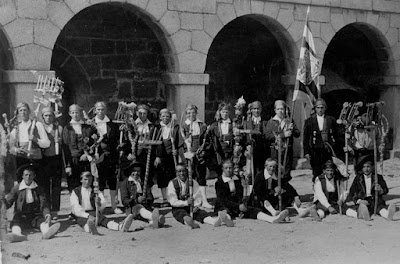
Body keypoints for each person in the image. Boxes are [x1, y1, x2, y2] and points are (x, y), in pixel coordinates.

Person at [215, 159, 288, 224]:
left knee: (253, 210)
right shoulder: (219, 183)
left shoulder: (237, 180)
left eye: (230, 168)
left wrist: (242, 204)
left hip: (238, 205)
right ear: (222, 169)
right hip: (225, 205)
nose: (228, 170)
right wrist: (238, 206)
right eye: (226, 168)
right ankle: (225, 219)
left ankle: (271, 219)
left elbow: (240, 195)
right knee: (225, 211)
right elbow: (222, 200)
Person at [3, 164, 61, 242]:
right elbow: (9, 201)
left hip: (35, 215)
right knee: (15, 223)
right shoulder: (17, 188)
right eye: (26, 175)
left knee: (43, 222)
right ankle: (17, 235)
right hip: (21, 215)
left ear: (34, 176)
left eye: (30, 175)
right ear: (22, 176)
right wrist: (3, 203)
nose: (28, 177)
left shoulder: (38, 188)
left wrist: (47, 215)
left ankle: (46, 233)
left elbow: (43, 203)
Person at [70, 171, 135, 234]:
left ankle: (120, 227)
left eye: (89, 180)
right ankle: (90, 229)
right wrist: (87, 216)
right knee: (82, 221)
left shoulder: (95, 191)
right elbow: (76, 208)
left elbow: (103, 203)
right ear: (81, 180)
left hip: (93, 212)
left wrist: (99, 203)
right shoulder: (76, 192)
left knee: (103, 219)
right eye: (85, 179)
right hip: (81, 213)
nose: (87, 182)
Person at [167, 163, 229, 229]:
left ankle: (214, 221)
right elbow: (173, 201)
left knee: (201, 213)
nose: (182, 173)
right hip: (178, 207)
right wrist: (186, 202)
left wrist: (195, 204)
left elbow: (198, 196)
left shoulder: (193, 182)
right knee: (181, 214)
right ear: (176, 173)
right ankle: (189, 223)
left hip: (192, 206)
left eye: (183, 171)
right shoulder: (172, 183)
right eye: (179, 171)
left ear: (187, 171)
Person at [343, 156, 397, 221]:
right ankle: (365, 215)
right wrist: (359, 200)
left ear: (372, 167)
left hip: (375, 200)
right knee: (362, 207)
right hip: (363, 200)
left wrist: (380, 189)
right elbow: (352, 192)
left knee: (380, 208)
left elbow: (386, 190)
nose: (366, 169)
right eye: (364, 167)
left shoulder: (378, 177)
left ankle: (388, 215)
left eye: (368, 166)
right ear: (362, 169)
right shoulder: (358, 178)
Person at [93, 101, 123, 214]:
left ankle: (114, 206)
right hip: (97, 158)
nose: (100, 112)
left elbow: (116, 140)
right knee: (99, 182)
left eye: (103, 109)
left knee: (112, 181)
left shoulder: (112, 124)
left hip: (111, 157)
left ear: (106, 110)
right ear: (95, 110)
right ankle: (100, 206)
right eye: (98, 109)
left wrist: (119, 149)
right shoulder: (91, 124)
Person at [9, 102, 50, 182]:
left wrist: (36, 140)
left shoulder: (37, 125)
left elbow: (47, 143)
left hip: (35, 159)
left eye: (25, 110)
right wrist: (17, 150)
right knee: (22, 183)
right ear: (18, 113)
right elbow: (11, 146)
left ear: (29, 111)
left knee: (37, 182)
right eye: (20, 110)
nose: (23, 112)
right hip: (22, 159)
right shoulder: (16, 128)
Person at [182, 104, 213, 209]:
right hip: (188, 155)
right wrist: (186, 151)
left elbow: (206, 140)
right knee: (191, 176)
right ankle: (193, 199)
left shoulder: (202, 125)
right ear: (186, 114)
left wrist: (203, 151)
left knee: (201, 175)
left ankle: (204, 200)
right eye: (189, 113)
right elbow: (181, 142)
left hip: (200, 154)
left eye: (193, 112)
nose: (191, 115)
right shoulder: (183, 126)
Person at [120, 161, 165, 228]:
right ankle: (155, 218)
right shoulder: (125, 183)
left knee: (148, 211)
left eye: (138, 171)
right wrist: (136, 200)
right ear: (130, 171)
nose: (136, 173)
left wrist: (145, 200)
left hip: (146, 206)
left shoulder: (144, 182)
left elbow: (150, 197)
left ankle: (153, 222)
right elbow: (124, 201)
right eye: (134, 171)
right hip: (132, 208)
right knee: (139, 207)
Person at [63, 104, 95, 192]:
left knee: (87, 182)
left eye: (77, 112)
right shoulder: (67, 128)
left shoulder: (87, 127)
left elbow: (92, 143)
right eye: (73, 112)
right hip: (73, 160)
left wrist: (87, 154)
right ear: (70, 114)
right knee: (74, 184)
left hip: (85, 160)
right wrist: (68, 165)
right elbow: (65, 148)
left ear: (80, 113)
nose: (75, 114)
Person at [303, 98, 337, 182]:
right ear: (315, 109)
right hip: (315, 150)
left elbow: (336, 134)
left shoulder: (331, 120)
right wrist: (306, 152)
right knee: (316, 171)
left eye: (322, 107)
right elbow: (306, 138)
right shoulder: (309, 121)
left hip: (328, 149)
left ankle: (328, 190)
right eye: (318, 107)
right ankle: (317, 191)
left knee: (329, 169)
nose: (320, 110)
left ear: (325, 108)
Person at [265, 100, 300, 181]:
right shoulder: (271, 122)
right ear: (275, 110)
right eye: (278, 109)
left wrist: (292, 130)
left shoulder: (289, 120)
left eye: (282, 109)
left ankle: (284, 189)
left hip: (287, 151)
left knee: (286, 172)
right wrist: (283, 135)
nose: (280, 111)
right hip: (275, 150)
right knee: (275, 171)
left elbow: (297, 134)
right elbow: (267, 136)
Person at [154, 108, 183, 207]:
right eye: (163, 116)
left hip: (172, 155)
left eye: (167, 116)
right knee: (162, 177)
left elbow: (179, 142)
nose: (165, 118)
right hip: (161, 156)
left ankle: (174, 197)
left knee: (172, 176)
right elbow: (155, 144)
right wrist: (157, 156)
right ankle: (164, 199)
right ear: (160, 117)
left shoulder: (175, 127)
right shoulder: (156, 128)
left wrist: (177, 152)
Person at [41, 107, 63, 213]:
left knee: (56, 185)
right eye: (46, 115)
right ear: (43, 117)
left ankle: (55, 209)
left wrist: (60, 141)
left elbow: (64, 145)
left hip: (56, 159)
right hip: (44, 159)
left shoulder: (58, 128)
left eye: (50, 115)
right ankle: (46, 209)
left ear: (53, 116)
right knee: (45, 185)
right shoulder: (40, 128)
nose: (48, 117)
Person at [243, 101, 268, 176]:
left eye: (258, 108)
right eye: (254, 109)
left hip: (262, 149)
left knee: (261, 170)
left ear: (261, 109)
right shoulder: (246, 122)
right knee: (251, 171)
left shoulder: (265, 121)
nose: (256, 111)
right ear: (251, 110)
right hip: (251, 149)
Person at [209, 102, 234, 175]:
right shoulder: (215, 125)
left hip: (230, 150)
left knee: (230, 168)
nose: (225, 114)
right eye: (223, 112)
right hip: (219, 151)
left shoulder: (233, 124)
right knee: (220, 169)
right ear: (220, 112)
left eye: (227, 112)